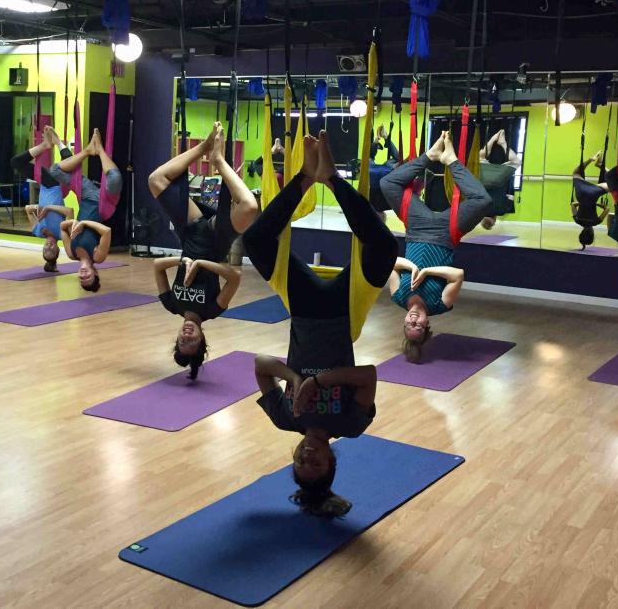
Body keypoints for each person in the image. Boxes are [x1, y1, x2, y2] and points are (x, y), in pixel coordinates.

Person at [247, 131, 398, 518]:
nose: (308, 456)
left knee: (257, 242)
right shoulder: (350, 424)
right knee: (383, 247)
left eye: (301, 462)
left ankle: (305, 178)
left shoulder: (286, 419)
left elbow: (261, 366)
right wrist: (317, 382)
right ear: (332, 461)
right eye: (316, 464)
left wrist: (293, 379)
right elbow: (367, 375)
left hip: (303, 308)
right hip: (344, 311)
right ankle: (331, 177)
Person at [149, 122, 258, 378]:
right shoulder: (213, 310)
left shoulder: (171, 304)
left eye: (182, 341)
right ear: (202, 339)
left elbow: (157, 266)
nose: (187, 336)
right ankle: (218, 161)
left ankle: (205, 147)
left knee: (156, 180)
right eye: (192, 342)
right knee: (249, 208)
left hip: (190, 229)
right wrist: (200, 264)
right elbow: (235, 277)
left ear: (177, 337)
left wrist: (184, 260)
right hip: (217, 238)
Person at [381, 132, 492, 363]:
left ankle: (429, 156)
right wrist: (429, 272)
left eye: (409, 326)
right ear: (426, 325)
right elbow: (457, 276)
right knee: (483, 202)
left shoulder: (398, 297)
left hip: (416, 228)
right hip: (445, 233)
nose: (413, 321)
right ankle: (451, 160)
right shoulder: (439, 305)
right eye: (418, 327)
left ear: (404, 323)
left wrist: (410, 266)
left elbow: (388, 264)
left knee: (388, 183)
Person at [51, 127, 122, 292]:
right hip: (103, 203)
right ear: (95, 272)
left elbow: (62, 227)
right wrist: (83, 224)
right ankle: (101, 150)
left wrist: (73, 222)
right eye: (88, 276)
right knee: (115, 178)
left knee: (55, 170)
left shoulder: (71, 253)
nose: (83, 275)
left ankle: (89, 150)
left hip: (86, 197)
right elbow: (106, 231)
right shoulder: (98, 256)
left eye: (81, 278)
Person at [15, 126, 75, 273]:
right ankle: (57, 143)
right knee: (68, 166)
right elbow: (69, 211)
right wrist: (48, 208)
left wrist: (37, 208)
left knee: (15, 163)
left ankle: (45, 145)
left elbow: (28, 209)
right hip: (56, 186)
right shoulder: (63, 233)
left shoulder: (38, 231)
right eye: (51, 249)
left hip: (43, 184)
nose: (48, 246)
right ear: (57, 250)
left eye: (45, 249)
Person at [478, 128, 521, 229]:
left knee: (516, 162)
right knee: (480, 158)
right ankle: (493, 139)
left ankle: (503, 143)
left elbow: (510, 196)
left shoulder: (501, 211)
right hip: (483, 179)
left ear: (494, 220)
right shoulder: (479, 209)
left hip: (499, 179)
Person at [571, 151, 611, 250]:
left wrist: (597, 204)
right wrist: (581, 203)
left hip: (593, 194)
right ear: (581, 233)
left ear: (592, 234)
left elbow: (607, 208)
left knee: (615, 180)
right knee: (575, 173)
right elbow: (573, 205)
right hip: (581, 192)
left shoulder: (596, 221)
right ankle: (590, 160)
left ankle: (600, 165)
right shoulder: (577, 220)